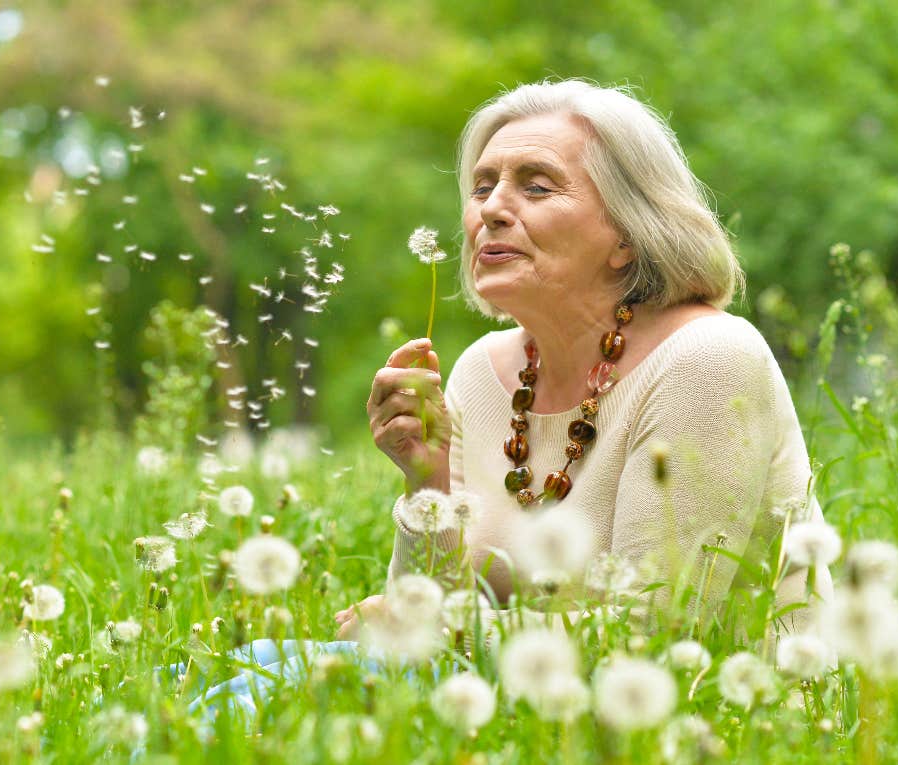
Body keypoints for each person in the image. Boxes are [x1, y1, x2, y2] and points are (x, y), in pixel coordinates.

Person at [337, 78, 833, 638]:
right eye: (481, 187)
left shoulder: (707, 360)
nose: (492, 208)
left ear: (628, 233)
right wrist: (425, 483)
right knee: (257, 665)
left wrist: (438, 632)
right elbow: (420, 632)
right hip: (516, 720)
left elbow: (659, 631)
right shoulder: (480, 373)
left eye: (538, 188)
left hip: (733, 717)